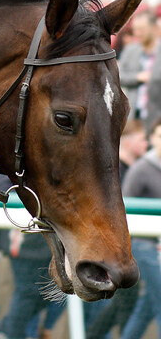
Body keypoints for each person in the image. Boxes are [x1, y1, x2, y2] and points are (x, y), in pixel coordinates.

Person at [85, 119, 147, 339]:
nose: (147, 143)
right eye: (143, 139)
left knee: (123, 302)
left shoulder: (131, 167)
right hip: (111, 243)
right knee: (119, 302)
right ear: (128, 141)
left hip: (123, 244)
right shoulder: (112, 168)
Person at [118, 118, 161, 339]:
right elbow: (124, 208)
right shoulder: (141, 168)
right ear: (153, 139)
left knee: (144, 310)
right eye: (158, 136)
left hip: (157, 246)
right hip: (143, 246)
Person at [119, 10, 161, 128]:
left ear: (154, 28)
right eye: (135, 30)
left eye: (141, 29)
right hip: (134, 117)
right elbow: (118, 76)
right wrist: (138, 77)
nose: (137, 33)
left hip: (157, 119)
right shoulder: (130, 50)